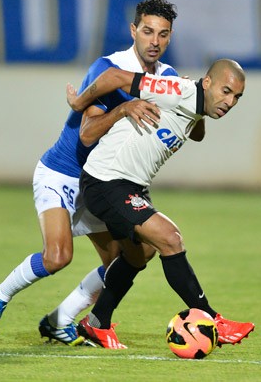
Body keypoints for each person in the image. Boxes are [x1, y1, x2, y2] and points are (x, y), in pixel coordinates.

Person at [0, 0, 179, 347]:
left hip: (104, 182)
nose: (154, 41)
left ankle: (61, 319)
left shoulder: (168, 78)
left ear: (169, 37)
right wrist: (124, 109)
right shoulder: (109, 67)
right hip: (64, 174)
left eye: (162, 34)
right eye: (147, 31)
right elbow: (86, 133)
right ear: (134, 31)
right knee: (58, 257)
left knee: (135, 255)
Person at [65, 59, 255, 349]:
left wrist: (202, 111)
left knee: (140, 254)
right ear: (207, 82)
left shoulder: (194, 103)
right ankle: (213, 319)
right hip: (106, 181)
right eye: (226, 91)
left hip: (129, 185)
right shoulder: (176, 90)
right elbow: (115, 76)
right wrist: (79, 103)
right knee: (170, 238)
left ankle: (96, 324)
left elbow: (198, 134)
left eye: (237, 97)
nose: (229, 102)